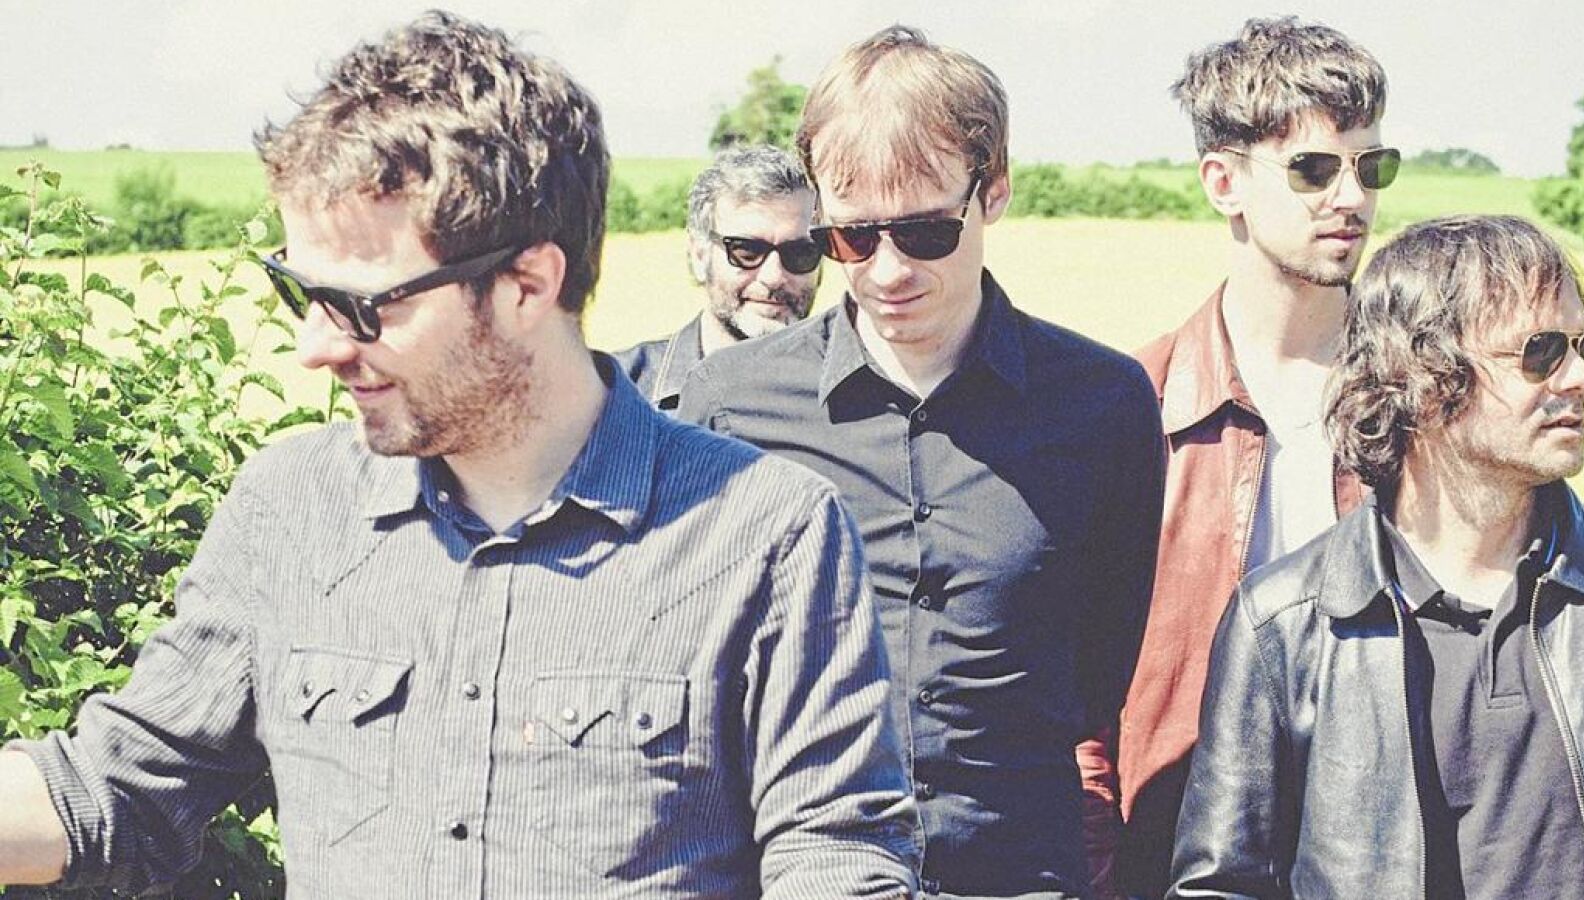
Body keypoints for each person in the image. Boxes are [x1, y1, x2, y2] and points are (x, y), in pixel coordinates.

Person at [0, 13, 919, 898]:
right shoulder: (290, 507)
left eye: (361, 306)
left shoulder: (765, 534)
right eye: (300, 291)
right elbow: (117, 785)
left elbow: (835, 858)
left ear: (526, 285)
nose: (315, 348)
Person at [679, 25, 1165, 899]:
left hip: (1022, 870)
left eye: (926, 232)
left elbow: (1099, 668)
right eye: (852, 239)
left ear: (995, 191)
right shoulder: (732, 404)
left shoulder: (1102, 404)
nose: (888, 271)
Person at [1172, 215, 1584, 899]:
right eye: (1541, 351)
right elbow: (1224, 886)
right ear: (1423, 379)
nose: (1579, 377)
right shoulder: (1285, 623)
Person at [1111, 18, 1394, 895]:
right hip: (1175, 851)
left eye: (1372, 167)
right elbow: (1073, 689)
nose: (1351, 197)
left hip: (1387, 850)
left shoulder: (1421, 398)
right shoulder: (1132, 403)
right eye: (1313, 169)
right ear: (1223, 182)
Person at [614, 145, 821, 411]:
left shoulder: (854, 399)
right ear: (699, 256)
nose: (774, 277)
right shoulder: (616, 395)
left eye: (800, 253)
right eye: (747, 252)